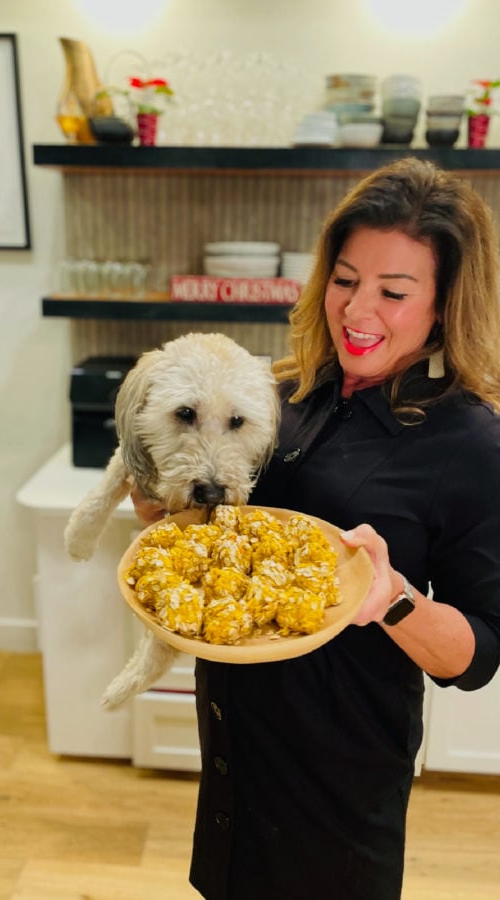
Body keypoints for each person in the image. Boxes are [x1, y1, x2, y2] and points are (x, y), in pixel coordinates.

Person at [132, 157, 500, 899]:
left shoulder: (470, 444)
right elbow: (229, 537)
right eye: (344, 280)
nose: (358, 311)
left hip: (339, 769)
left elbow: (479, 653)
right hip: (237, 737)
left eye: (394, 292)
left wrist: (392, 598)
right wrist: (172, 511)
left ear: (444, 304)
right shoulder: (280, 394)